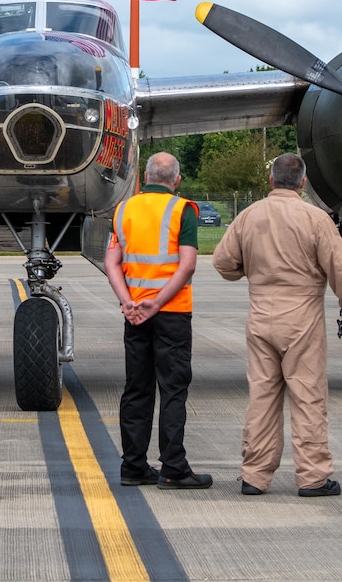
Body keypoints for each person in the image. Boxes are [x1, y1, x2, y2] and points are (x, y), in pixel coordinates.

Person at [213, 153, 342, 497]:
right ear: (302, 183)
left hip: (260, 316)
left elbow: (224, 263)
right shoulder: (315, 218)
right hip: (302, 318)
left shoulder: (248, 216)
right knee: (308, 396)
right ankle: (313, 476)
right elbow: (341, 274)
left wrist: (252, 271)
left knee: (262, 396)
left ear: (271, 181)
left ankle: (254, 475)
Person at [104, 152, 211, 489]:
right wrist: (158, 303)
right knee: (172, 389)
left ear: (146, 175)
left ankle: (133, 466)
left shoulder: (123, 209)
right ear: (176, 180)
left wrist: (129, 302)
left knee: (136, 388)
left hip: (134, 314)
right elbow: (188, 264)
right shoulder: (183, 210)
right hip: (172, 312)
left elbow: (111, 262)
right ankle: (173, 467)